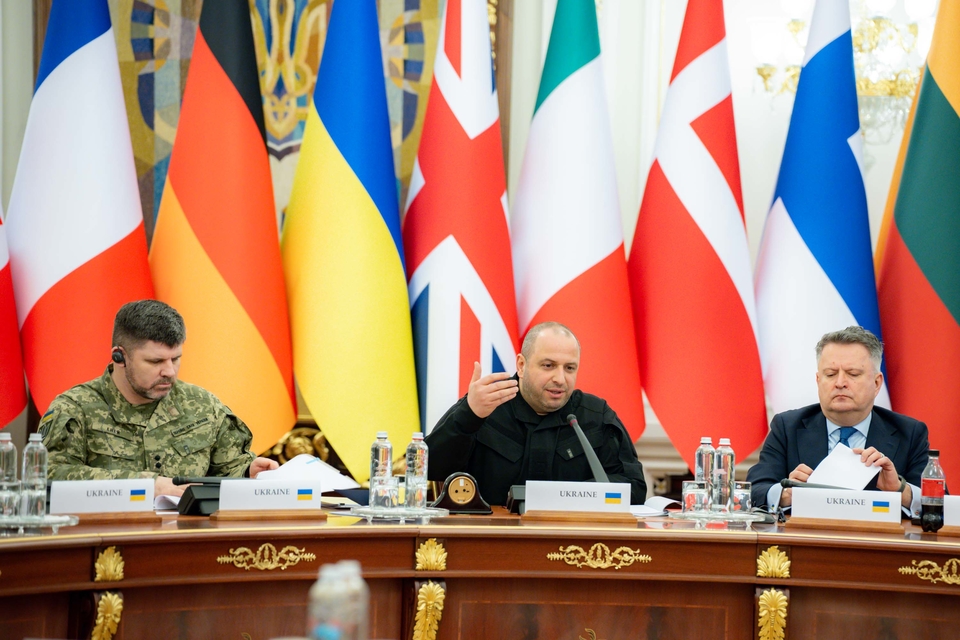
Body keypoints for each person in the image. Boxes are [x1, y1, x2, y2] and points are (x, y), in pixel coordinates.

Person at [40, 300, 278, 496]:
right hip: (108, 535)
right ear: (119, 357)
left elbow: (227, 468)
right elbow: (49, 476)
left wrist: (247, 472)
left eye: (175, 359)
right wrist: (145, 486)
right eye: (155, 361)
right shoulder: (75, 408)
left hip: (187, 535)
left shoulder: (202, 405)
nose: (169, 371)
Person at [426, 322, 646, 506]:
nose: (560, 379)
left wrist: (570, 498)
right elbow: (430, 472)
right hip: (493, 537)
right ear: (521, 365)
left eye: (569, 368)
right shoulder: (485, 404)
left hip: (572, 538)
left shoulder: (595, 415)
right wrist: (469, 415)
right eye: (548, 365)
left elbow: (634, 489)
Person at [747, 326, 929, 514]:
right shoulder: (787, 427)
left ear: (876, 383)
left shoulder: (910, 433)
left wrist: (900, 490)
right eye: (830, 374)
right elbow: (753, 492)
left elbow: (937, 504)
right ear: (818, 381)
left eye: (853, 374)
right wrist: (786, 494)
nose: (840, 383)